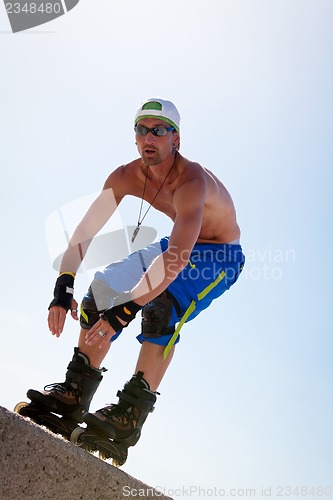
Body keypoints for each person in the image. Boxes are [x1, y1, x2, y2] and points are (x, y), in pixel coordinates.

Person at [27, 98, 245, 453]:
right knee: (100, 293)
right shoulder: (126, 175)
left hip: (218, 256)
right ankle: (74, 394)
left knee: (160, 306)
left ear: (176, 138)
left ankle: (129, 416)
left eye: (159, 130)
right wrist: (62, 284)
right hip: (174, 244)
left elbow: (176, 260)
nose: (150, 136)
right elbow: (85, 231)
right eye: (142, 129)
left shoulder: (192, 181)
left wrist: (124, 312)